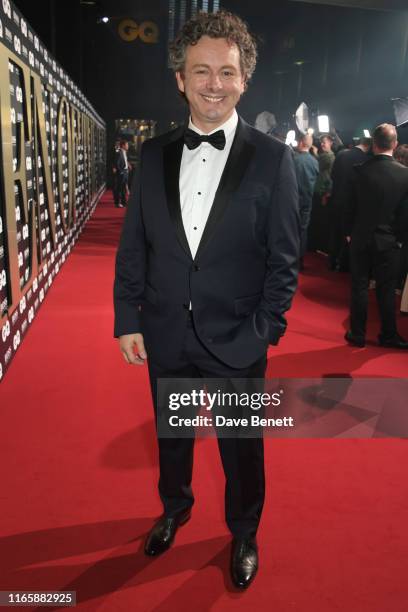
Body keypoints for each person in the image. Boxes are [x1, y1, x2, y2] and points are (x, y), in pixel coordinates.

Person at [113, 10, 300, 589]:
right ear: (180, 78)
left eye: (226, 71)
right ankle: (175, 508)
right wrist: (128, 318)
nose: (213, 84)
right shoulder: (151, 155)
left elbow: (284, 258)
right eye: (201, 71)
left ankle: (244, 529)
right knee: (172, 433)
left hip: (238, 337)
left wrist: (264, 329)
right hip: (166, 330)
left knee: (241, 446)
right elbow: (135, 246)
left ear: (245, 79)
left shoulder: (274, 158)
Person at [344, 124, 408, 349]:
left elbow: (348, 206)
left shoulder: (358, 170)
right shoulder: (405, 175)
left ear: (373, 144)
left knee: (359, 286)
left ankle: (358, 334)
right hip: (389, 241)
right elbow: (405, 214)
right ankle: (388, 335)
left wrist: (349, 233)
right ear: (395, 144)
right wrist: (399, 239)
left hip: (360, 237)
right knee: (387, 290)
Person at [328, 136, 371, 271]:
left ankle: (331, 261)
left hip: (336, 199)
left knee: (334, 232)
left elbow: (332, 175)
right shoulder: (366, 160)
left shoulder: (341, 155)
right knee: (347, 235)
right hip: (351, 204)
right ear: (369, 146)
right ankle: (343, 265)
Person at [293, 133, 319, 268]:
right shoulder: (315, 161)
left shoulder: (293, 159)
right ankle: (300, 260)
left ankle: (289, 258)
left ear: (301, 142)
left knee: (290, 229)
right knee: (303, 230)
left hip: (293, 200)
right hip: (308, 200)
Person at [308, 134, 335, 253]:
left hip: (322, 193)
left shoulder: (329, 157)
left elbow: (319, 166)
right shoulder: (324, 155)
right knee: (316, 220)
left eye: (325, 142)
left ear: (331, 143)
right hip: (318, 191)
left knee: (320, 220)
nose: (322, 144)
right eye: (321, 142)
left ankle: (320, 245)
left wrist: (327, 194)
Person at [114, 140, 131, 208]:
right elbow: (117, 163)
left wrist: (128, 166)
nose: (128, 146)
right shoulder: (119, 152)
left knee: (124, 188)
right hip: (122, 173)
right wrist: (121, 171)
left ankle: (124, 202)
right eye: (127, 145)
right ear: (123, 145)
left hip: (126, 172)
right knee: (119, 188)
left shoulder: (124, 152)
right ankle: (117, 203)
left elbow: (124, 161)